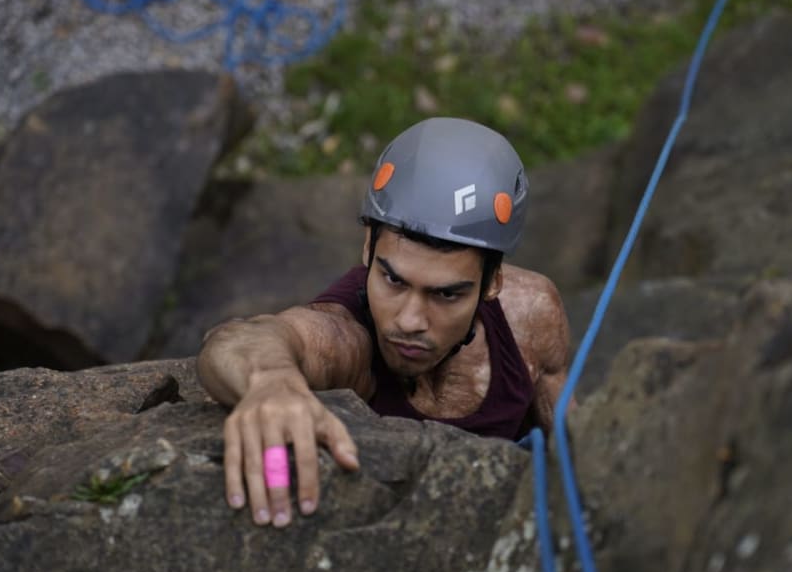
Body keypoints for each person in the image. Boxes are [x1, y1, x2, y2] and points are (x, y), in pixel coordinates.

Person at [196, 117, 574, 528]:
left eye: (446, 294)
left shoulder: (531, 315)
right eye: (393, 280)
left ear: (492, 283)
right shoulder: (349, 339)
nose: (409, 321)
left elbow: (573, 447)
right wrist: (271, 382)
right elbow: (241, 341)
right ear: (368, 249)